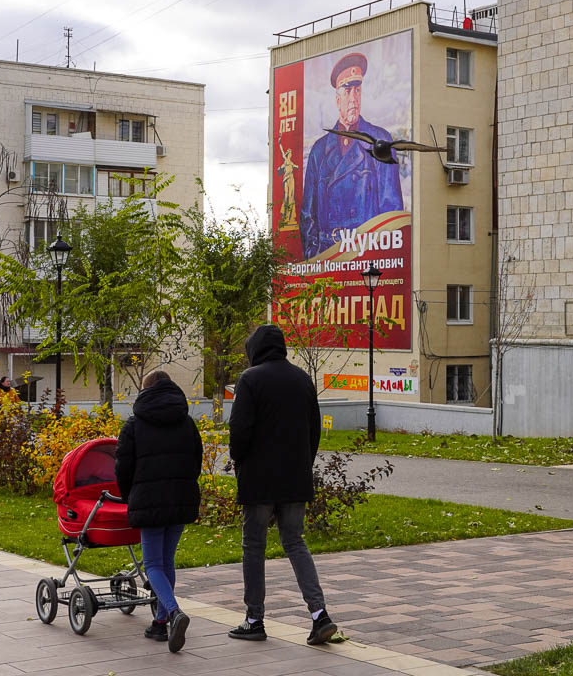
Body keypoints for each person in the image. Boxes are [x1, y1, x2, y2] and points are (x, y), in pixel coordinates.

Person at [226, 324, 338, 645]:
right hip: (295, 478)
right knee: (295, 542)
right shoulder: (303, 379)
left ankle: (254, 619)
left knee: (254, 547)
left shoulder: (250, 380)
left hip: (259, 480)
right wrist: (303, 465)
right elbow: (313, 431)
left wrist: (239, 460)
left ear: (254, 351)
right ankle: (320, 615)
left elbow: (240, 431)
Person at [115, 370, 203, 653]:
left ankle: (175, 613)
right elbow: (196, 461)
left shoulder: (135, 424)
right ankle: (159, 621)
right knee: (167, 561)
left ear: (145, 391)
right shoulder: (187, 423)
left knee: (152, 564)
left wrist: (130, 496)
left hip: (149, 500)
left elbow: (122, 467)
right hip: (180, 498)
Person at [299, 52, 404, 259]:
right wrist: (314, 257)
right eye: (347, 92)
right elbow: (307, 216)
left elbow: (391, 211)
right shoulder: (319, 150)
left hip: (364, 254)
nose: (353, 99)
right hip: (328, 257)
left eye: (357, 90)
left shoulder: (379, 141)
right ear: (337, 99)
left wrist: (379, 259)